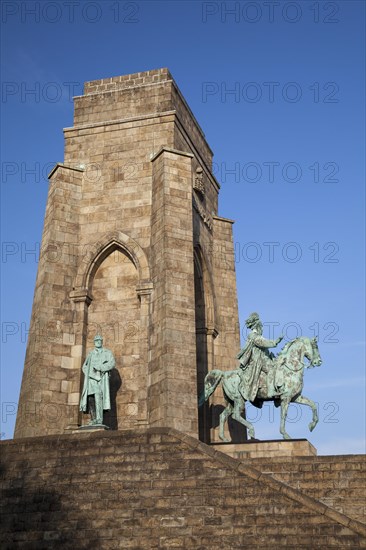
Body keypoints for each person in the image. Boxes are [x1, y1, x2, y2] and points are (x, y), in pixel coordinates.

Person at [237, 312, 283, 402]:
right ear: (257, 326)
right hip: (258, 359)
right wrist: (276, 341)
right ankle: (270, 392)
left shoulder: (258, 335)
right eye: (261, 326)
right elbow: (262, 342)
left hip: (264, 358)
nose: (262, 328)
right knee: (271, 369)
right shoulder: (253, 335)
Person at [79, 334, 115, 426]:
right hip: (91, 379)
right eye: (96, 340)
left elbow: (112, 363)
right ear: (94, 342)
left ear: (102, 342)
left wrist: (100, 368)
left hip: (101, 379)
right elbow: (84, 366)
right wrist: (89, 373)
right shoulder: (91, 354)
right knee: (91, 398)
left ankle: (99, 419)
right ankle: (93, 418)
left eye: (100, 340)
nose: (98, 342)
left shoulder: (107, 352)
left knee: (98, 397)